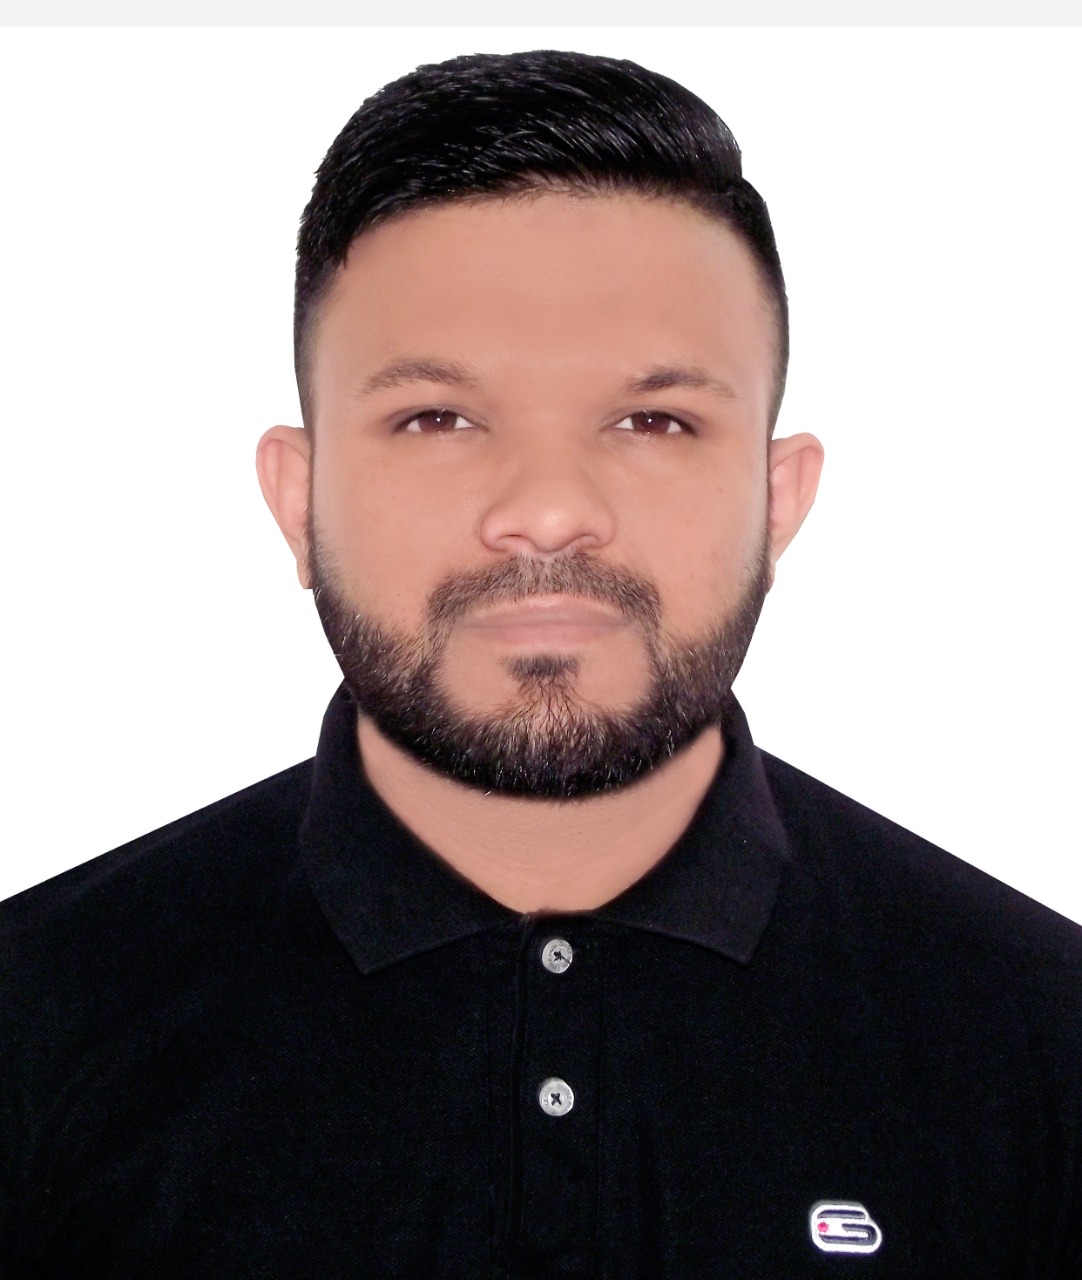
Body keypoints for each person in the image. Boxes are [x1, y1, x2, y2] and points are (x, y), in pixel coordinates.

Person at [2, 47, 1079, 1277]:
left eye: (652, 419)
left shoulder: (1039, 1039)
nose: (549, 510)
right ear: (298, 500)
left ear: (777, 502)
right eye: (438, 418)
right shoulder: (35, 1020)